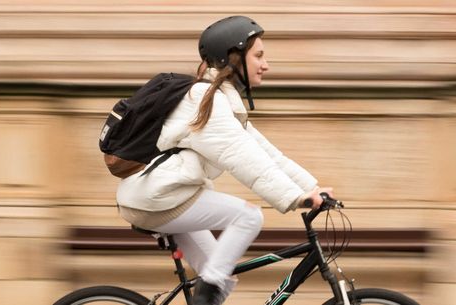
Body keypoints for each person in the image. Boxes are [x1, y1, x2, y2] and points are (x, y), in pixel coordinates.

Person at [114, 16, 333, 305]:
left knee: (220, 280)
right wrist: (296, 198)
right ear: (233, 58)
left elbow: (268, 154)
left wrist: (312, 187)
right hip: (160, 200)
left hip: (164, 198)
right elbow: (245, 160)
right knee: (248, 217)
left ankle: (209, 289)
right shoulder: (208, 103)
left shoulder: (221, 103)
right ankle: (208, 289)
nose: (265, 64)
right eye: (259, 56)